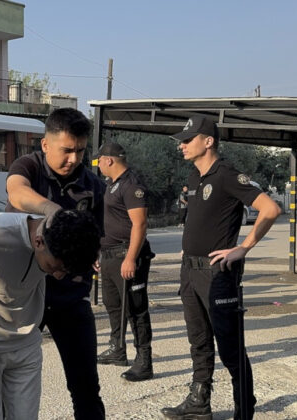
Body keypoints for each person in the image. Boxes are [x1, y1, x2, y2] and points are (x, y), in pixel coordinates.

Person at [161, 116, 281, 420]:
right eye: (182, 141)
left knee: (229, 348)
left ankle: (244, 410)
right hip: (190, 271)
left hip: (216, 274)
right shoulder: (194, 176)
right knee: (198, 342)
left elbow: (270, 209)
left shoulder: (226, 174)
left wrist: (243, 247)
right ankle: (199, 402)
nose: (183, 146)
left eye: (188, 140)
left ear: (208, 141)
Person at [0, 209, 101, 420]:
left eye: (66, 271)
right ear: (39, 242)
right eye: (54, 267)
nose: (58, 275)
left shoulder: (61, 236)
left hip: (25, 343)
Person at [5, 107, 106, 419]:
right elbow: (16, 192)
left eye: (79, 151)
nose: (73, 159)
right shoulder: (29, 167)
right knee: (9, 385)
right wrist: (52, 211)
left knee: (86, 386)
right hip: (21, 299)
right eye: (66, 150)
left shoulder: (92, 185)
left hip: (70, 299)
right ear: (46, 144)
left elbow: (98, 234)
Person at [95, 142, 155, 382]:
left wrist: (130, 258)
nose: (98, 165)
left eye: (99, 160)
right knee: (113, 306)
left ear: (109, 160)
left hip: (126, 255)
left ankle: (144, 361)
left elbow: (140, 224)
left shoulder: (131, 186)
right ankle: (117, 348)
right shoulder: (112, 185)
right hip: (109, 254)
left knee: (135, 309)